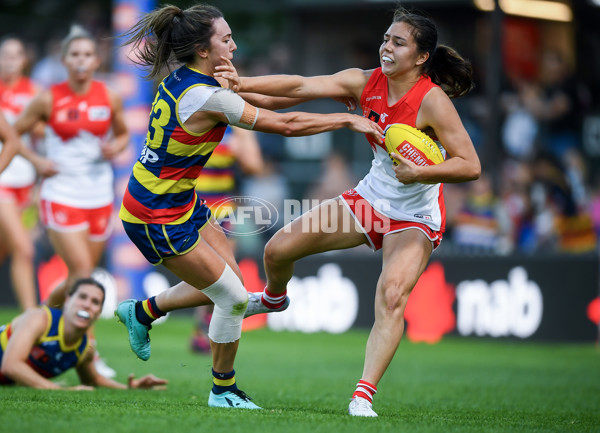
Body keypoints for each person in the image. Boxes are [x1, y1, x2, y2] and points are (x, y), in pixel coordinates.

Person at [113, 4, 383, 411]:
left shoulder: (185, 80)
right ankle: (223, 390)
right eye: (225, 39)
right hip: (154, 215)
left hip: (180, 200)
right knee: (233, 299)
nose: (234, 45)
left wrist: (240, 87)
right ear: (204, 51)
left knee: (230, 285)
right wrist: (345, 121)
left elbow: (251, 96)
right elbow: (286, 125)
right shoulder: (206, 96)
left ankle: (142, 312)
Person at [218, 8, 481, 417]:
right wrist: (240, 83)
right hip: (370, 201)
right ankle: (273, 299)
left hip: (415, 216)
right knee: (276, 251)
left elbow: (470, 165)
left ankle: (363, 396)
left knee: (392, 296)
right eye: (386, 38)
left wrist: (423, 173)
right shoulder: (364, 81)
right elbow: (301, 85)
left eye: (398, 42)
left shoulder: (433, 101)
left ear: (421, 57)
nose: (386, 47)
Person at [14, 25, 129, 308]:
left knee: (80, 277)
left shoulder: (109, 96)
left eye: (87, 54)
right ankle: (86, 349)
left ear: (96, 60)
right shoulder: (48, 98)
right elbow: (12, 133)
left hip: (99, 194)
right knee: (83, 274)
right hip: (61, 192)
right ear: (64, 60)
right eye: (75, 54)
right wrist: (37, 160)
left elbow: (124, 134)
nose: (81, 60)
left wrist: (115, 147)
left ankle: (40, 321)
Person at [0, 278, 167, 390]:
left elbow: (93, 380)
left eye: (95, 302)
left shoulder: (84, 348)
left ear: (99, 312)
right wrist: (60, 390)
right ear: (67, 300)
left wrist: (131, 388)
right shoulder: (40, 319)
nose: (87, 305)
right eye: (82, 297)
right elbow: (11, 366)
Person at [190, 125, 264, 354]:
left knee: (224, 275)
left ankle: (205, 329)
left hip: (222, 212)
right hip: (189, 208)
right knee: (207, 274)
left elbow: (254, 167)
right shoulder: (193, 119)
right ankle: (203, 329)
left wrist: (244, 134)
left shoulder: (233, 128)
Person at [0, 36, 41, 311]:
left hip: (24, 181)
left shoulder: (35, 92)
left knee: (5, 251)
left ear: (24, 60)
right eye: (5, 55)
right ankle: (32, 319)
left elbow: (42, 134)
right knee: (24, 250)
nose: (10, 60)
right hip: (2, 178)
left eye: (16, 55)